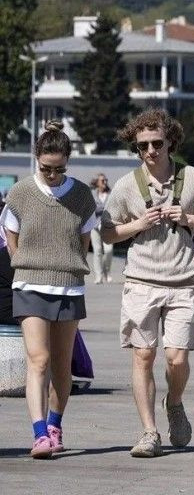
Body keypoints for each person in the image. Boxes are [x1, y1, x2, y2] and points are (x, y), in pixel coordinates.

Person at [101, 108, 194, 457]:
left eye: (157, 143)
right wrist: (139, 224)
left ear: (171, 140)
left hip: (184, 281)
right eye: (143, 145)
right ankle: (148, 432)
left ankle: (174, 402)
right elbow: (108, 232)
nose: (151, 151)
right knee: (143, 355)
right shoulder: (127, 185)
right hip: (141, 280)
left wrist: (190, 217)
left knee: (176, 358)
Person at [2, 120, 96, 458]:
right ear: (36, 159)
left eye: (58, 169)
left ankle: (55, 424)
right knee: (37, 360)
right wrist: (22, 262)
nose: (51, 174)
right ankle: (40, 434)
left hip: (69, 286)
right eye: (45, 168)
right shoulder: (22, 193)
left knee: (61, 366)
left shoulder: (83, 196)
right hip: (29, 284)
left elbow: (84, 241)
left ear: (68, 161)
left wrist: (67, 263)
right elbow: (11, 234)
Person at [90, 174, 114, 284]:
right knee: (97, 251)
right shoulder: (93, 195)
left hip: (108, 226)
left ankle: (107, 272)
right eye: (102, 180)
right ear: (97, 183)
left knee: (108, 250)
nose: (105, 182)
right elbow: (90, 209)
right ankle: (98, 276)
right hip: (95, 226)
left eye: (106, 180)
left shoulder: (110, 194)